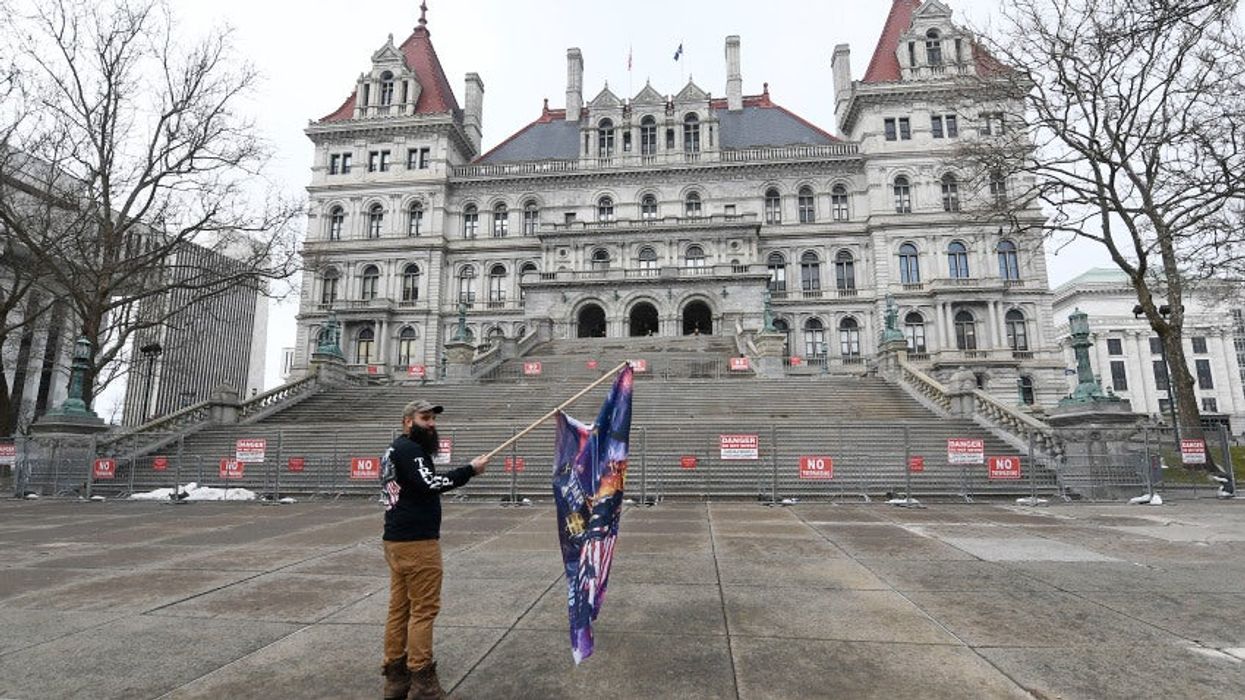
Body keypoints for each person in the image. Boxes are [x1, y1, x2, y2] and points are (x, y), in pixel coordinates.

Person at [380, 399, 488, 700]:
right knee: (424, 610)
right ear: (407, 421)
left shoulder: (393, 450)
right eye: (424, 418)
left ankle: (395, 678)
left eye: (433, 419)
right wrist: (469, 470)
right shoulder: (410, 451)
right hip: (417, 542)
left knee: (400, 609)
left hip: (395, 539)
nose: (431, 424)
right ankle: (423, 681)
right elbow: (431, 482)